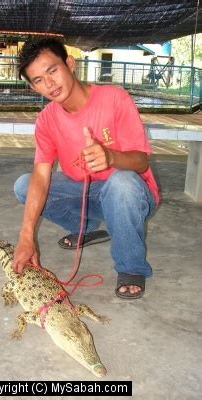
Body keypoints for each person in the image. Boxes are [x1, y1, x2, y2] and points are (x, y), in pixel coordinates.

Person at [12, 37, 159, 299]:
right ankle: (87, 226)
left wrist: (110, 157)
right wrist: (25, 235)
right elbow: (41, 174)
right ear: (33, 87)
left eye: (52, 70)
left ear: (70, 63)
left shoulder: (114, 97)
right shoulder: (47, 120)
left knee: (122, 182)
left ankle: (131, 266)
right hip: (86, 192)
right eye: (38, 80)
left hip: (131, 193)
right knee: (25, 185)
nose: (49, 84)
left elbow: (141, 162)